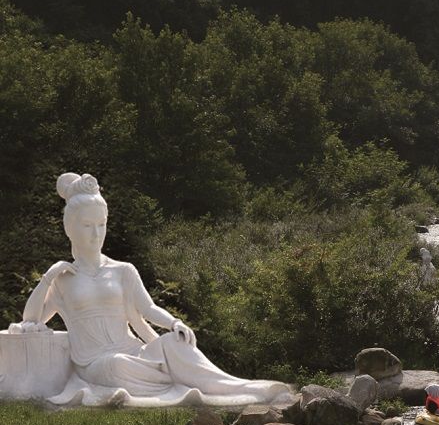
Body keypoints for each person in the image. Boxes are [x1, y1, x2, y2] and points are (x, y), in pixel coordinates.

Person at [13, 173, 288, 407]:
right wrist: (49, 276)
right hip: (97, 362)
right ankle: (178, 377)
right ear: (69, 228)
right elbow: (32, 319)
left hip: (134, 352)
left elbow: (147, 309)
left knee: (174, 342)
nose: (96, 234)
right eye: (87, 226)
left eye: (101, 225)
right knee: (117, 364)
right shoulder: (63, 278)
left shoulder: (123, 270)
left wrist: (174, 322)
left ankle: (239, 389)